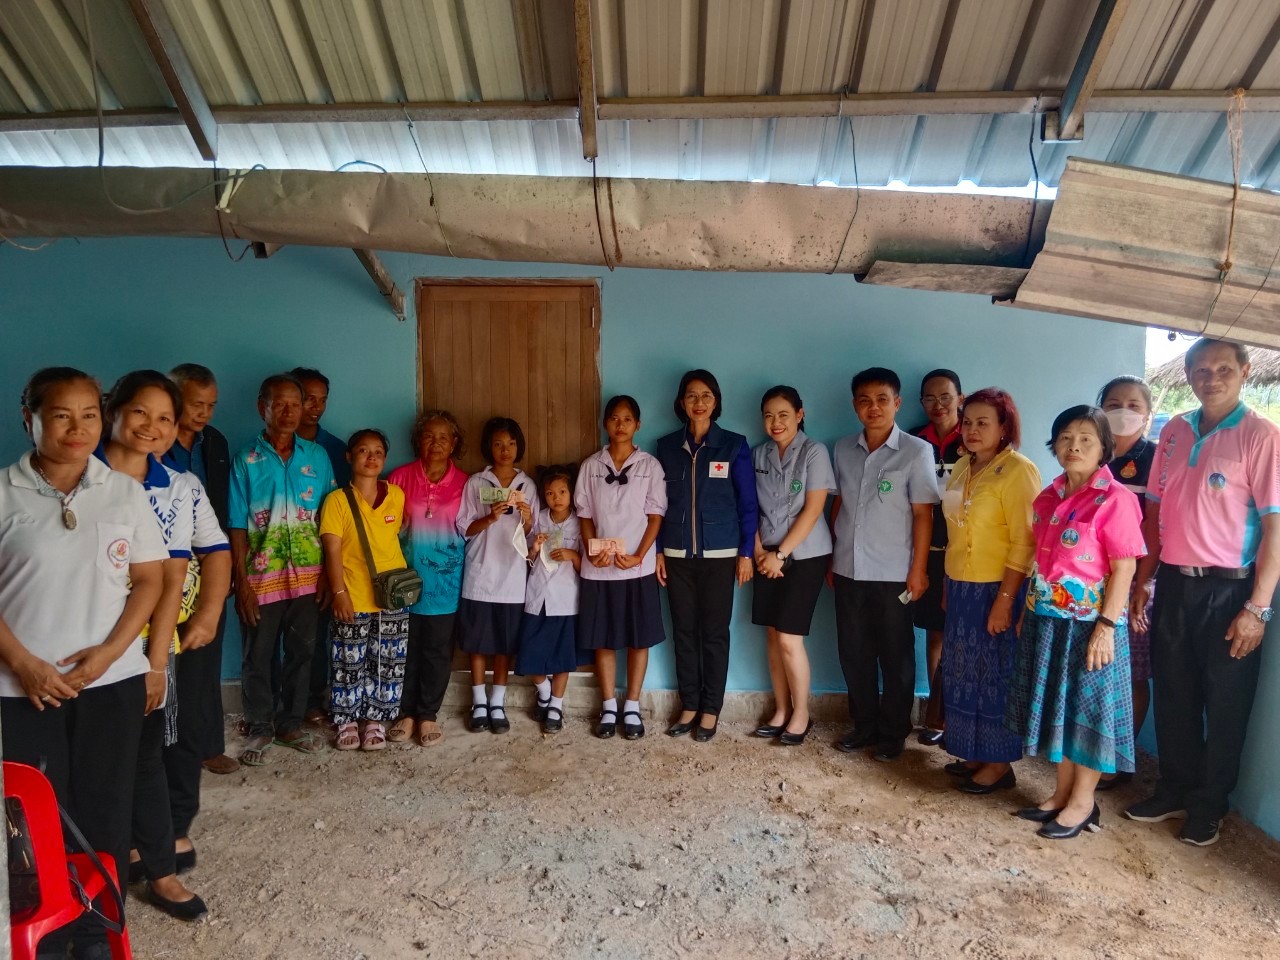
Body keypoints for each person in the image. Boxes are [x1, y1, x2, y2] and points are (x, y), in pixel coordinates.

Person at [0, 367, 166, 957]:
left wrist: (110, 654)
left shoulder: (123, 491)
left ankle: (97, 931)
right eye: (61, 415)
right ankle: (46, 934)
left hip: (110, 684)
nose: (78, 427)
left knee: (105, 811)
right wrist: (23, 663)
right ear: (30, 419)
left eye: (89, 414)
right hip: (23, 689)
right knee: (32, 820)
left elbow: (149, 580)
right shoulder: (3, 493)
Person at [1125, 338, 1280, 847]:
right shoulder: (1174, 430)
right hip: (1173, 583)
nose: (1211, 378)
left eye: (1223, 369)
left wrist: (1258, 608)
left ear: (1245, 371)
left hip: (1230, 591)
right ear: (1188, 374)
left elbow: (1275, 528)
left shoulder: (1261, 436)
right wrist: (1144, 580)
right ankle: (1173, 790)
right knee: (1175, 694)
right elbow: (1153, 513)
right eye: (1201, 370)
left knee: (1226, 703)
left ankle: (1209, 806)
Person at [100, 370, 229, 921]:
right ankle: (107, 864)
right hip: (89, 645)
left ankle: (158, 854)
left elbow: (201, 557)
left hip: (157, 643)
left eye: (165, 419)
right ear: (112, 411)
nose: (152, 427)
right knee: (102, 758)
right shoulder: (83, 478)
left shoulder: (181, 486)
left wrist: (208, 613)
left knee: (156, 748)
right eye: (140, 412)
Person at [1006, 405, 1145, 839]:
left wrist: (1106, 627)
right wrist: (1026, 610)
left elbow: (1124, 568)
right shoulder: (1047, 497)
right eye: (1066, 437)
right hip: (1047, 620)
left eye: (1086, 439)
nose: (1074, 446)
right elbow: (1040, 561)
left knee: (1089, 712)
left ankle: (1084, 803)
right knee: (1060, 710)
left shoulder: (1116, 499)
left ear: (1104, 447)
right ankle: (1061, 794)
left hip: (1091, 626)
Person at [831, 368, 938, 762]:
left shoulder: (916, 451)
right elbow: (838, 503)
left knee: (896, 656)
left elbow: (923, 514)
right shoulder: (843, 448)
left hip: (895, 573)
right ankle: (864, 726)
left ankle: (893, 733)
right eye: (864, 400)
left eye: (881, 399)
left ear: (897, 403)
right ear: (854, 405)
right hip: (848, 569)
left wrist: (919, 569)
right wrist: (833, 555)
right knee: (853, 652)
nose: (873, 407)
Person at [229, 373, 336, 765]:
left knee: (301, 653)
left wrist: (328, 575)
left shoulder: (317, 457)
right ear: (264, 408)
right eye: (280, 404)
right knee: (257, 655)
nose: (290, 412)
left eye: (296, 403)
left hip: (308, 576)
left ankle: (290, 723)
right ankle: (260, 725)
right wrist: (241, 583)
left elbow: (330, 520)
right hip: (260, 577)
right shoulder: (246, 459)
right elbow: (237, 524)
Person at [939, 388, 1040, 793]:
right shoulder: (963, 465)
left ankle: (999, 764)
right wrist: (949, 583)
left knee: (995, 675)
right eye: (967, 422)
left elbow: (1025, 542)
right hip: (961, 586)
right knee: (964, 671)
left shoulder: (1018, 470)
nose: (973, 430)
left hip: (998, 588)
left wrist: (1005, 600)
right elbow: (955, 530)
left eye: (984, 422)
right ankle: (975, 752)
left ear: (1004, 428)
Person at [654, 370, 758, 743]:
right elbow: (655, 506)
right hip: (676, 555)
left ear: (716, 401)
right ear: (681, 402)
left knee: (714, 633)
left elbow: (748, 504)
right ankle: (690, 704)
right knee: (683, 632)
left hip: (721, 555)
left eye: (706, 395)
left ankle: (711, 708)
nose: (699, 402)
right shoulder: (666, 447)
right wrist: (658, 551)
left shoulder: (733, 446)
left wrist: (746, 553)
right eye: (691, 396)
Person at [163, 364, 240, 782]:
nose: (204, 413)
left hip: (210, 561)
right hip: (161, 565)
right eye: (196, 404)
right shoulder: (155, 442)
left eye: (211, 405)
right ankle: (164, 751)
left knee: (205, 656)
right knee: (162, 659)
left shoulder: (216, 442)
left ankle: (207, 746)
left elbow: (222, 506)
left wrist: (226, 566)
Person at [575, 396, 667, 739]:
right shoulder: (591, 467)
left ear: (637, 425)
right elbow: (584, 515)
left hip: (637, 569)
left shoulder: (650, 466)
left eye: (627, 419)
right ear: (605, 423)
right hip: (598, 569)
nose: (620, 425)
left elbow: (655, 516)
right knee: (603, 639)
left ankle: (632, 705)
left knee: (638, 638)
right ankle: (608, 705)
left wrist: (640, 555)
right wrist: (590, 550)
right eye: (614, 418)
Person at [750, 386, 834, 746]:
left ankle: (801, 714)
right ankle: (781, 709)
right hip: (765, 554)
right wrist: (758, 550)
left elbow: (813, 510)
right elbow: (750, 507)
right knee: (772, 635)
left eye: (783, 414)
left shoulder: (814, 451)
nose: (776, 422)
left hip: (805, 555)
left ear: (800, 415)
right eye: (769, 415)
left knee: (788, 638)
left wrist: (780, 554)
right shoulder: (759, 454)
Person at [319, 429, 409, 752]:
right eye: (363, 451)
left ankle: (375, 721)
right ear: (349, 456)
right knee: (348, 661)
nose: (371, 458)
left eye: (378, 452)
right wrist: (339, 592)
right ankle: (346, 721)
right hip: (353, 595)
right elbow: (332, 550)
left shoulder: (396, 495)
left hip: (392, 596)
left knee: (387, 662)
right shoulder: (337, 501)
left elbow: (394, 537)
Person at [387, 410, 469, 746]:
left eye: (443, 437)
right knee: (405, 648)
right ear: (418, 441)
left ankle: (427, 715)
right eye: (429, 436)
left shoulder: (465, 483)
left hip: (445, 582)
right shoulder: (399, 478)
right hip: (404, 580)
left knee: (437, 650)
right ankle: (405, 712)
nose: (436, 443)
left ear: (454, 443)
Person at [455, 417, 537, 734]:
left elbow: (533, 537)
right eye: (499, 444)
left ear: (519, 447)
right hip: (480, 575)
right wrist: (490, 517)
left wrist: (527, 520)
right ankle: (478, 702)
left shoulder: (527, 486)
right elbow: (464, 528)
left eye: (511, 443)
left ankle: (497, 702)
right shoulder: (477, 483)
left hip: (513, 579)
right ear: (489, 447)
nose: (505, 450)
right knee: (477, 644)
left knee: (504, 645)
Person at [1096, 374, 1157, 790]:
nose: (1123, 412)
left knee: (1131, 671)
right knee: (1094, 665)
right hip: (1089, 579)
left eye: (1134, 405)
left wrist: (1143, 582)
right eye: (1114, 403)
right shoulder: (1092, 453)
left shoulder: (1156, 459)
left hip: (1136, 581)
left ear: (1148, 415)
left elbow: (1155, 526)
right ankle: (1089, 751)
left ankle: (1120, 759)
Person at [910, 369, 966, 746]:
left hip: (968, 555)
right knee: (936, 633)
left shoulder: (975, 438)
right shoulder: (915, 441)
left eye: (945, 396)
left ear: (960, 398)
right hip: (928, 553)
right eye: (929, 398)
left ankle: (961, 714)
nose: (938, 404)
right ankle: (937, 714)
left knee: (964, 637)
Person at [291, 367, 348, 727]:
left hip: (321, 560)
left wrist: (331, 571)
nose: (315, 407)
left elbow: (343, 512)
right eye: (308, 399)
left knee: (313, 638)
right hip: (275, 561)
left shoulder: (336, 450)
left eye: (322, 400)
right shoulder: (264, 450)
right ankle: (275, 707)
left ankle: (312, 700)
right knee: (272, 640)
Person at [515, 465, 583, 734]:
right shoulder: (539, 519)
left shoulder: (580, 522)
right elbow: (527, 558)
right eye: (550, 493)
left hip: (565, 598)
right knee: (530, 650)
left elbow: (587, 566)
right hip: (537, 596)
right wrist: (534, 547)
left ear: (571, 493)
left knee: (562, 656)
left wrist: (573, 555)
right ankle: (543, 690)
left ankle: (556, 704)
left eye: (562, 492)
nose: (557, 498)